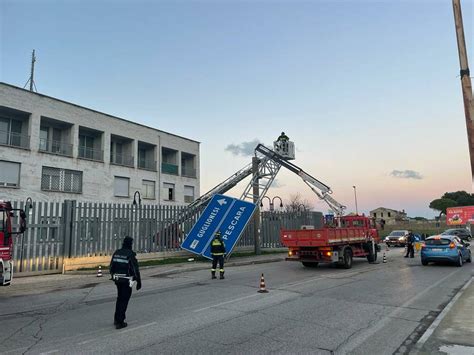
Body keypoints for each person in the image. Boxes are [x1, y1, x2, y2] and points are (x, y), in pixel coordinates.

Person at [109, 236, 142, 329]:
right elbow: (135, 269)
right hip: (126, 280)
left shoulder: (117, 252)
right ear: (130, 244)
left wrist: (114, 276)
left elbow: (111, 267)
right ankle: (120, 321)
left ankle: (116, 318)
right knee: (124, 300)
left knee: (119, 299)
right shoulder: (130, 254)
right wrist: (139, 281)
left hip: (117, 280)